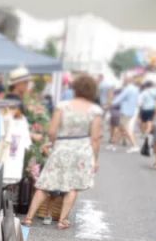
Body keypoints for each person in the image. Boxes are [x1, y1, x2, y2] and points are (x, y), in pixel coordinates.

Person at [23, 74, 102, 230]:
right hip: (82, 148)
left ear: (75, 88)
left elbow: (52, 131)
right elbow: (95, 138)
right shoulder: (95, 110)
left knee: (45, 183)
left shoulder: (62, 106)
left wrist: (52, 144)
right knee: (73, 186)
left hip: (62, 146)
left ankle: (29, 218)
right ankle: (62, 220)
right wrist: (95, 159)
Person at [112, 75, 140, 150]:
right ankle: (114, 144)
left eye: (124, 80)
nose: (123, 81)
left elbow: (119, 98)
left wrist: (111, 104)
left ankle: (135, 145)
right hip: (131, 110)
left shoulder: (127, 89)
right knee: (121, 128)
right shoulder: (136, 89)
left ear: (127, 80)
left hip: (125, 111)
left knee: (125, 128)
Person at [139, 80, 156, 153]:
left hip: (144, 109)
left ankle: (145, 134)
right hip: (152, 109)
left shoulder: (144, 92)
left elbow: (140, 103)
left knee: (144, 123)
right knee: (150, 122)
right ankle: (148, 133)